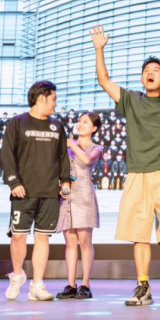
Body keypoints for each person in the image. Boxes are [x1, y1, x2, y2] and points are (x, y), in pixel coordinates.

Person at [91, 26, 160, 306]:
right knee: (138, 234)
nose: (150, 73)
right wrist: (99, 48)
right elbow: (104, 80)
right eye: (146, 70)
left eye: (155, 70)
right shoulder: (132, 100)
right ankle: (143, 287)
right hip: (137, 176)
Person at [0, 81, 71, 302]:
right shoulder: (17, 122)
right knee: (18, 236)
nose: (55, 103)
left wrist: (65, 180)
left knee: (42, 237)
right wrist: (14, 182)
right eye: (53, 99)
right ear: (41, 98)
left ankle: (37, 284)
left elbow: (62, 156)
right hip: (23, 191)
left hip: (49, 192)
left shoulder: (57, 126)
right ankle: (17, 275)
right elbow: (7, 154)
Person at [55, 112, 103, 300]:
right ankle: (71, 284)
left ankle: (85, 284)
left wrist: (72, 144)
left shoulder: (96, 147)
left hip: (84, 196)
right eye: (80, 121)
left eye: (85, 122)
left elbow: (87, 160)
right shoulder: (66, 146)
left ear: (94, 128)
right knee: (70, 242)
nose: (80, 124)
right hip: (66, 196)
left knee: (84, 242)